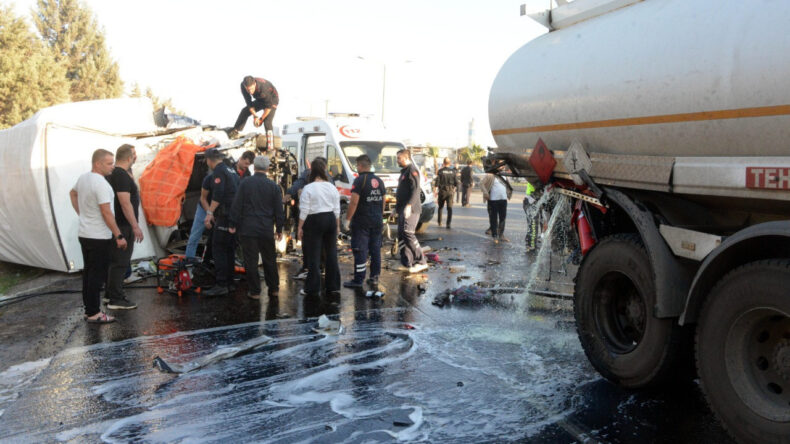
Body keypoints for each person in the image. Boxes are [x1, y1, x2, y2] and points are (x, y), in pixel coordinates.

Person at [69, 149, 128, 324]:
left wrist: (83, 214)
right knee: (96, 276)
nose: (113, 166)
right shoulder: (100, 183)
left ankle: (90, 310)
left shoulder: (83, 178)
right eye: (109, 163)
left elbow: (72, 194)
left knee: (89, 274)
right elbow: (106, 212)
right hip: (98, 237)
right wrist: (119, 235)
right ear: (98, 164)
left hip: (85, 234)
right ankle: (94, 313)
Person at [229, 156, 285, 300]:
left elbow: (237, 205)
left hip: (248, 228)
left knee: (251, 261)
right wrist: (279, 229)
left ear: (254, 167)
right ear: (267, 169)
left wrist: (233, 224)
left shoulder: (245, 183)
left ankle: (255, 291)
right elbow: (279, 210)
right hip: (266, 228)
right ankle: (274, 289)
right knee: (269, 259)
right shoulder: (273, 186)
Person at [104, 144, 143, 310]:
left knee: (116, 261)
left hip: (119, 224)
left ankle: (110, 294)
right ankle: (116, 298)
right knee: (121, 261)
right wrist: (135, 226)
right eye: (134, 155)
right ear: (129, 158)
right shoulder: (120, 175)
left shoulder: (116, 174)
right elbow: (125, 203)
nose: (135, 158)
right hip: (123, 225)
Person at [298, 158, 341, 296]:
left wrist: (300, 227)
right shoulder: (332, 187)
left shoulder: (308, 188)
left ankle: (312, 287)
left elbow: (304, 210)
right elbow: (337, 209)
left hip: (314, 220)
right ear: (324, 171)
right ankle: (333, 285)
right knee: (331, 253)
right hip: (330, 219)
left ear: (311, 172)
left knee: (314, 255)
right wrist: (338, 226)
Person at [343, 154, 385, 288]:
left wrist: (347, 220)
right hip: (377, 221)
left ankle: (358, 280)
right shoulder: (379, 180)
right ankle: (374, 277)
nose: (357, 168)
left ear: (360, 166)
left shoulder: (359, 180)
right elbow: (383, 200)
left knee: (360, 250)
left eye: (357, 165)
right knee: (375, 250)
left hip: (362, 223)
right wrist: (380, 215)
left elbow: (353, 203)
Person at [202, 148, 239, 296]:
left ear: (210, 160)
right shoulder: (232, 171)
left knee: (219, 248)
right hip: (234, 217)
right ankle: (229, 283)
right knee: (229, 249)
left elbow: (218, 194)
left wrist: (209, 213)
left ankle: (221, 283)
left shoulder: (218, 171)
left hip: (224, 216)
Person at [395, 149, 428, 273]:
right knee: (401, 234)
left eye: (399, 158)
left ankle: (421, 261)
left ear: (406, 158)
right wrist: (396, 209)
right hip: (403, 209)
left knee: (408, 233)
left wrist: (409, 205)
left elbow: (415, 190)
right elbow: (402, 192)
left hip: (412, 209)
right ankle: (407, 262)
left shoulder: (412, 170)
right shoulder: (404, 172)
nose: (397, 160)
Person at [228, 76, 279, 151]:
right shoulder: (242, 86)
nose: (250, 92)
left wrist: (261, 119)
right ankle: (235, 131)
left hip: (272, 99)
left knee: (267, 122)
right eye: (248, 90)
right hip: (260, 99)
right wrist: (255, 116)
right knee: (245, 111)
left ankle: (270, 146)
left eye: (252, 89)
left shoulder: (263, 89)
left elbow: (268, 107)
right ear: (245, 86)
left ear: (255, 84)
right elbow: (249, 103)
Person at [184, 171, 213, 261]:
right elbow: (203, 198)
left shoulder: (230, 177)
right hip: (204, 208)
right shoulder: (209, 179)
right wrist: (210, 213)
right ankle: (189, 263)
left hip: (215, 210)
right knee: (194, 237)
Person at [481, 170, 513, 243]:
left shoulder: (504, 176)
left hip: (503, 200)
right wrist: (486, 193)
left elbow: (507, 186)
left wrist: (508, 193)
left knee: (503, 218)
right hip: (493, 200)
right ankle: (495, 235)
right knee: (493, 218)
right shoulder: (490, 175)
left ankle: (501, 235)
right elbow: (481, 183)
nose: (502, 167)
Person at [433, 157, 457, 229]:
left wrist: (435, 189)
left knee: (440, 207)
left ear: (443, 163)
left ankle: (439, 222)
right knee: (449, 208)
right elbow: (456, 183)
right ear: (449, 163)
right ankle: (448, 224)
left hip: (442, 191)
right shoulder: (453, 171)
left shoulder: (440, 171)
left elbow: (437, 182)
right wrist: (454, 189)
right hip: (450, 192)